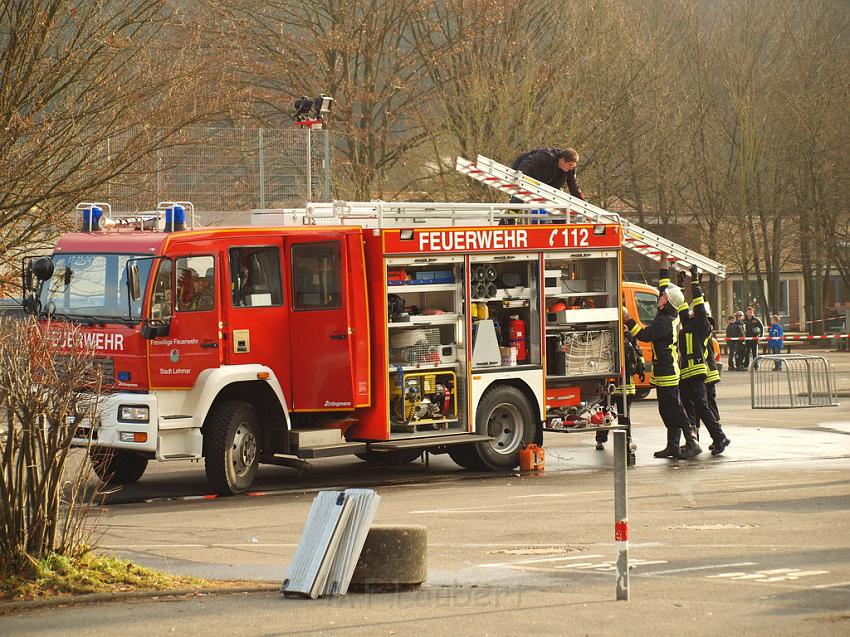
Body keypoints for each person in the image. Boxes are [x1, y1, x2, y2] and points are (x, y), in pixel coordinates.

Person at [623, 260, 701, 459]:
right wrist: (664, 269)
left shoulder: (665, 321)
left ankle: (692, 442)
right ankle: (673, 446)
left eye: (664, 295)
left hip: (667, 370)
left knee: (674, 408)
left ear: (669, 302)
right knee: (666, 409)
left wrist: (627, 318)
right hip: (664, 369)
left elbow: (644, 334)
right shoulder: (667, 316)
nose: (661, 296)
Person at [677, 266, 731, 456]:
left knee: (703, 406)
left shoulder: (702, 326)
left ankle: (719, 437)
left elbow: (698, 305)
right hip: (687, 373)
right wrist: (681, 285)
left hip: (698, 372)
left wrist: (695, 282)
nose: (691, 313)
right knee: (691, 408)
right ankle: (694, 441)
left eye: (695, 312)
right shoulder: (689, 325)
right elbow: (682, 306)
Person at [595, 326, 644, 465]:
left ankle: (625, 440)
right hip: (614, 384)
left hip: (622, 385)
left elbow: (637, 353)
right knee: (607, 414)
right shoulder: (615, 336)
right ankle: (604, 439)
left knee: (619, 415)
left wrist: (640, 367)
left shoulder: (623, 336)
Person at [501, 147, 584, 225]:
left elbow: (574, 187)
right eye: (570, 165)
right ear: (562, 160)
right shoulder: (546, 155)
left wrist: (582, 206)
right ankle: (507, 220)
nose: (571, 168)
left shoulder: (570, 169)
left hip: (547, 180)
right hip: (528, 172)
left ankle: (561, 226)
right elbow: (527, 163)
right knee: (521, 194)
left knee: (558, 200)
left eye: (573, 166)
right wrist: (519, 179)